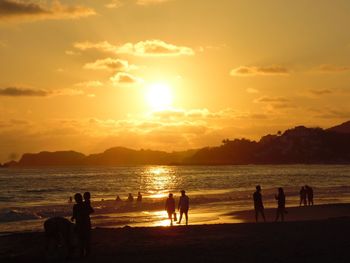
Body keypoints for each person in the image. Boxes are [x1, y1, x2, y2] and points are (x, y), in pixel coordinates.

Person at [71, 193, 92, 257]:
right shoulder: (85, 204)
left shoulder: (78, 206)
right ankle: (85, 253)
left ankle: (83, 253)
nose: (76, 200)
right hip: (85, 224)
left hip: (81, 224)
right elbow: (91, 210)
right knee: (85, 239)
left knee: (82, 239)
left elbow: (74, 216)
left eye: (76, 198)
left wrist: (74, 217)